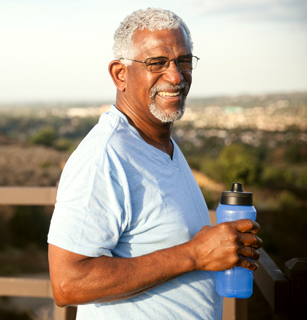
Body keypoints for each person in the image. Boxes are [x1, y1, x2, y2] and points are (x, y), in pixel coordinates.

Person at [47, 8, 263, 320]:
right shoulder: (104, 157)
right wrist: (194, 255)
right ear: (120, 74)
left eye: (183, 61)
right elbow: (68, 283)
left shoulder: (163, 143)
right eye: (157, 63)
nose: (176, 76)